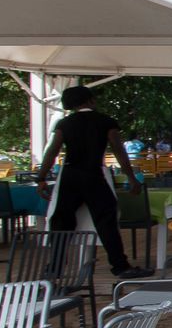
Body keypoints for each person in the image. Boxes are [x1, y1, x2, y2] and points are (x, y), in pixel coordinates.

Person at [36, 85, 150, 278]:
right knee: (106, 221)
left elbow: (53, 151)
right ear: (90, 100)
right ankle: (120, 266)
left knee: (61, 222)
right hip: (93, 174)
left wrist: (41, 178)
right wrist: (131, 177)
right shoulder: (105, 122)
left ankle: (54, 269)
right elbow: (118, 150)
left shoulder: (65, 124)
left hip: (70, 175)